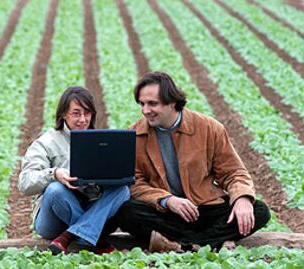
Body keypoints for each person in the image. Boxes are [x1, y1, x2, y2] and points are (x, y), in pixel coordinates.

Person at [116, 71, 270, 251]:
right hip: (167, 212)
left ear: (172, 102)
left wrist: (242, 198)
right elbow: (135, 183)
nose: (145, 110)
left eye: (152, 104)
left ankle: (181, 244)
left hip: (205, 209)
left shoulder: (209, 128)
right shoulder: (134, 134)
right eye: (142, 104)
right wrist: (167, 200)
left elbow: (233, 172)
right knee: (126, 212)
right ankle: (213, 241)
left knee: (259, 211)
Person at [18, 86, 130, 254]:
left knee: (122, 190)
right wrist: (54, 174)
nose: (83, 119)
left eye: (87, 113)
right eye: (76, 113)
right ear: (63, 114)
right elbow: (24, 182)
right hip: (53, 218)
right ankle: (93, 238)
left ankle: (68, 237)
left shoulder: (102, 142)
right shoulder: (46, 142)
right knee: (55, 190)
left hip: (90, 207)